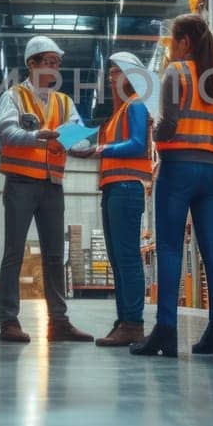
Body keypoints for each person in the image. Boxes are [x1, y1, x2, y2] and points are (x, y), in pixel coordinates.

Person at [132, 13, 213, 358]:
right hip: (211, 171)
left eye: (172, 42)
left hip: (178, 170)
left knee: (171, 249)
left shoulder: (177, 72)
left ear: (185, 42)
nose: (169, 50)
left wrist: (153, 130)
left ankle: (165, 331)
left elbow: (170, 125)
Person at [0, 36, 95, 344]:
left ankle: (58, 322)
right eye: (49, 62)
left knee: (54, 255)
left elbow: (78, 136)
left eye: (57, 63)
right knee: (14, 252)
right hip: (21, 182)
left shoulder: (64, 102)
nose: (54, 68)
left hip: (52, 185)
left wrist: (80, 145)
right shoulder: (13, 97)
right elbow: (7, 132)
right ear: (32, 64)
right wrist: (40, 135)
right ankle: (8, 321)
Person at [68, 52, 154, 347]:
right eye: (110, 72)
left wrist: (100, 149)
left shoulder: (137, 104)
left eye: (116, 71)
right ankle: (124, 320)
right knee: (118, 258)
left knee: (127, 257)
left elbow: (138, 144)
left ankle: (133, 323)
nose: (110, 77)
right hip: (112, 189)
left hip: (127, 188)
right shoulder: (115, 115)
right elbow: (109, 146)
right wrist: (83, 147)